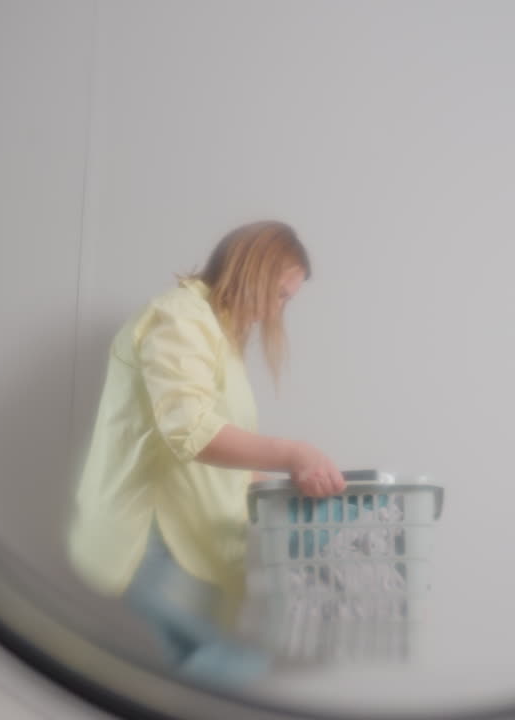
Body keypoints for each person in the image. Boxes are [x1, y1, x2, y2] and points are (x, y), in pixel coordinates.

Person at [68, 220, 345, 687]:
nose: (277, 310)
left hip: (185, 545)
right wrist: (294, 454)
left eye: (286, 300)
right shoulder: (180, 318)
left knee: (184, 684)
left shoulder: (218, 336)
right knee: (239, 660)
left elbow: (220, 460)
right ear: (251, 270)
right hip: (153, 543)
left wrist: (287, 488)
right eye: (279, 293)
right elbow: (190, 431)